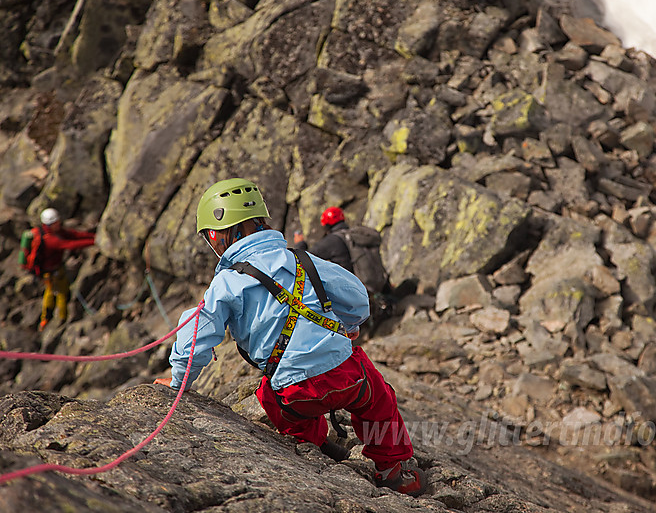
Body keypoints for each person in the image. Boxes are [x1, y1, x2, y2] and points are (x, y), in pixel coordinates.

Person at [155, 178, 426, 497]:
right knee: (379, 398)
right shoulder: (303, 259)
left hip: (295, 398)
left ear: (217, 234)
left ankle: (313, 444)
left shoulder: (226, 284)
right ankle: (395, 471)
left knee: (269, 393)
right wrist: (349, 324)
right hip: (348, 381)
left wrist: (178, 383)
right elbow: (356, 298)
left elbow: (196, 330)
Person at [293, 207, 394, 331]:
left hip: (352, 290)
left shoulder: (332, 240)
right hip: (373, 283)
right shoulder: (355, 235)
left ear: (326, 225)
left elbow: (304, 258)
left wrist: (300, 244)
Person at [35, 208, 96, 330]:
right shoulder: (50, 240)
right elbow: (70, 244)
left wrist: (94, 236)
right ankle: (62, 318)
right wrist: (94, 242)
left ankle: (45, 318)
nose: (59, 223)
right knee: (61, 293)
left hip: (52, 271)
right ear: (50, 224)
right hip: (52, 272)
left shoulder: (51, 232)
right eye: (56, 222)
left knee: (50, 293)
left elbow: (74, 235)